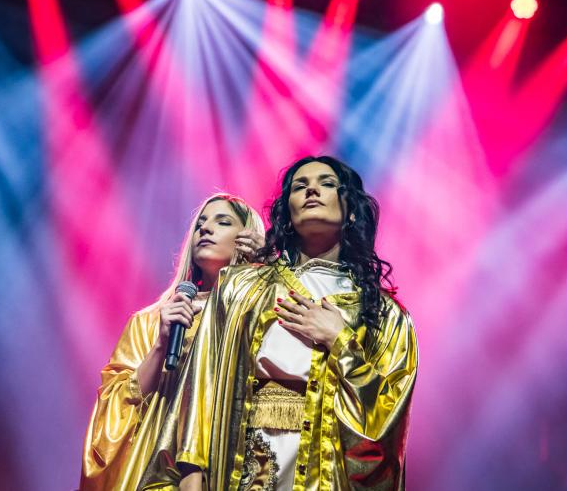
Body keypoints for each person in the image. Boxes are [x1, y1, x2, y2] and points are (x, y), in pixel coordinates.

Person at [141, 156, 418, 490]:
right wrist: (191, 477)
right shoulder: (239, 287)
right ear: (287, 213)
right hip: (244, 469)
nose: (312, 190)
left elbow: (390, 417)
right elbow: (202, 390)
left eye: (327, 184)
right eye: (300, 186)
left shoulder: (385, 314)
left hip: (327, 474)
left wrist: (340, 341)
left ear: (352, 212)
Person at [80, 193, 265, 491]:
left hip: (236, 463)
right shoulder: (151, 321)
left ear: (248, 237)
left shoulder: (259, 315)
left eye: (223, 222)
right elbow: (112, 412)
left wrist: (267, 269)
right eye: (200, 224)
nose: (205, 229)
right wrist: (160, 347)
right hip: (161, 467)